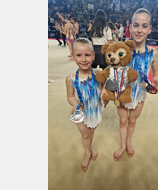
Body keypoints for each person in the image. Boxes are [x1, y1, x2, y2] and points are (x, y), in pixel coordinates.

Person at [107, 8, 158, 161]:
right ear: (129, 27)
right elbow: (112, 70)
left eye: (144, 26)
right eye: (136, 25)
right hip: (123, 93)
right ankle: (123, 145)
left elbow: (156, 72)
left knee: (132, 121)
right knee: (123, 121)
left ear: (149, 29)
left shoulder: (153, 52)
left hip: (139, 94)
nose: (139, 30)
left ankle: (129, 141)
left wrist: (156, 78)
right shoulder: (121, 49)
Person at [65, 38, 104, 171]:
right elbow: (70, 96)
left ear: (93, 56)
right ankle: (87, 154)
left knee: (91, 131)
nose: (83, 59)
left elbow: (104, 91)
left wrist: (105, 95)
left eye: (87, 55)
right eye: (78, 55)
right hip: (79, 112)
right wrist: (75, 103)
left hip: (94, 110)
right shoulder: (70, 78)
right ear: (73, 56)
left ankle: (90, 147)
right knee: (85, 134)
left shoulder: (99, 75)